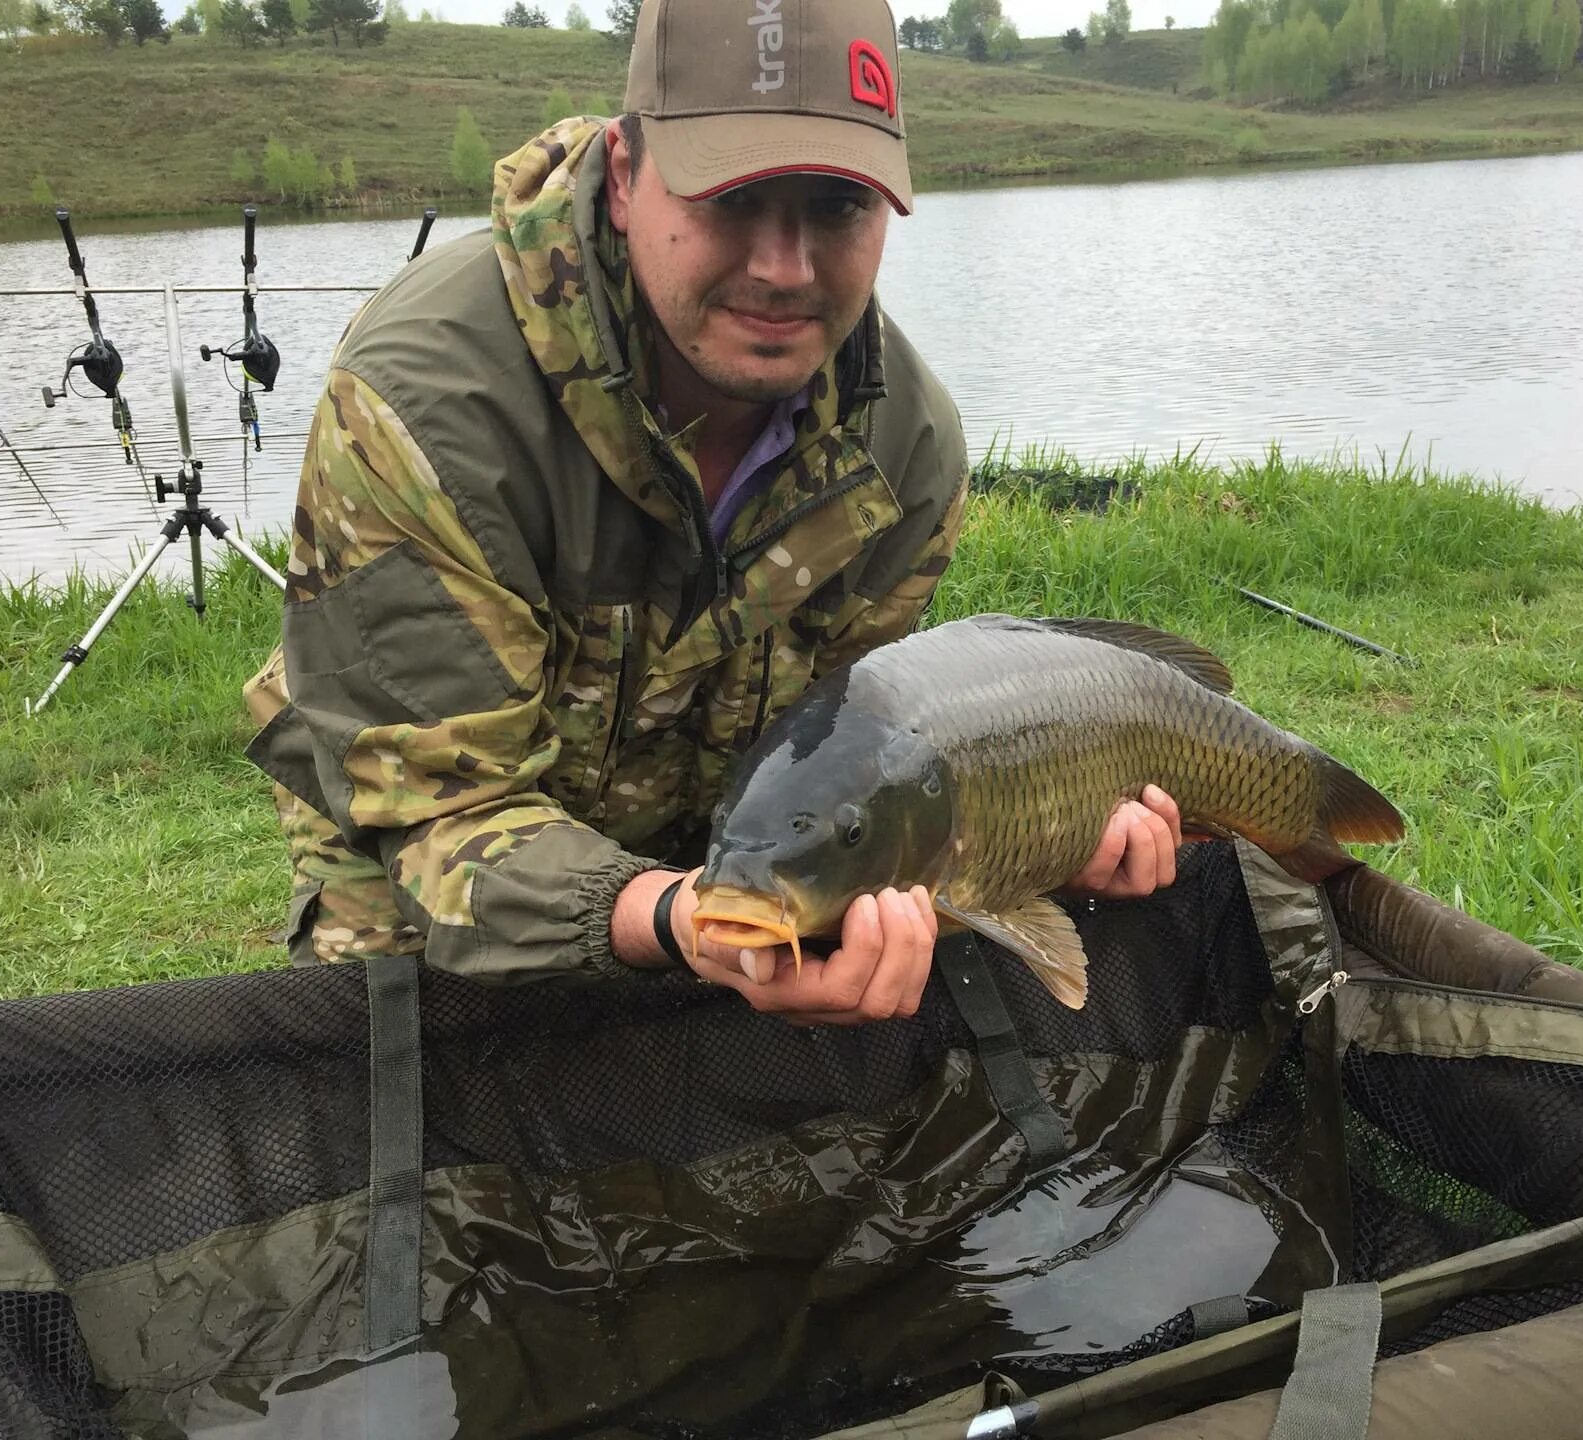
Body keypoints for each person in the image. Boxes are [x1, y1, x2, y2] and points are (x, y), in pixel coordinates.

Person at [242, 0, 1190, 1025]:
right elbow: (437, 812)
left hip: (732, 848)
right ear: (625, 167)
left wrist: (1031, 842)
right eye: (734, 199)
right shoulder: (425, 407)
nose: (784, 270)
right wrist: (665, 916)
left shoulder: (905, 447)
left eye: (837, 208)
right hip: (426, 832)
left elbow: (847, 772)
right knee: (411, 1049)